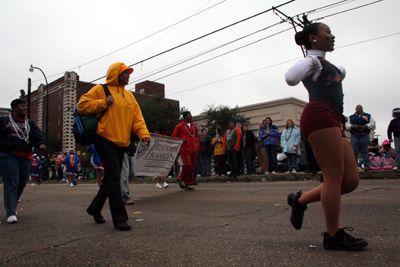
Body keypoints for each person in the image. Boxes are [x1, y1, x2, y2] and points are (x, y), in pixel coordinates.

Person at [285, 23, 368, 250]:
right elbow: (290, 78)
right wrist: (311, 60)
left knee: (350, 180)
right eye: (327, 32)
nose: (332, 36)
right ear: (313, 38)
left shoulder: (329, 64)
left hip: (335, 118)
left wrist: (337, 70)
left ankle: (299, 201)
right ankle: (333, 235)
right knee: (333, 177)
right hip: (319, 114)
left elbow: (341, 72)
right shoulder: (313, 62)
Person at [78, 62, 151, 231]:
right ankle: (120, 219)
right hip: (103, 138)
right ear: (115, 74)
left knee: (112, 177)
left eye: (128, 73)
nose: (128, 75)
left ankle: (94, 208)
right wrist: (103, 102)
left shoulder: (129, 96)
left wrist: (143, 134)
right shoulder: (100, 90)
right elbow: (82, 106)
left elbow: (137, 119)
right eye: (125, 73)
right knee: (115, 177)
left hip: (122, 141)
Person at [0, 99, 46, 224]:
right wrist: (7, 130)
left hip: (26, 156)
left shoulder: (29, 123)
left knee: (21, 183)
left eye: (26, 106)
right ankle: (11, 212)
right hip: (8, 154)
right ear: (14, 108)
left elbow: (36, 136)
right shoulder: (4, 121)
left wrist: (40, 144)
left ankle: (13, 204)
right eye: (22, 106)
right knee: (12, 182)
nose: (25, 108)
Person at [171, 111, 199, 190]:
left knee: (192, 168)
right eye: (189, 114)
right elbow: (173, 137)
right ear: (185, 116)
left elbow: (196, 137)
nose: (191, 115)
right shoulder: (179, 126)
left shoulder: (194, 126)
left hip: (194, 150)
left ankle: (189, 184)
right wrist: (182, 139)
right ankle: (181, 178)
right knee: (187, 165)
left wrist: (197, 147)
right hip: (184, 150)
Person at [345, 105, 376, 171]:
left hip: (364, 135)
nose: (359, 109)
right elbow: (347, 125)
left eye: (360, 108)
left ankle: (366, 166)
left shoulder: (368, 116)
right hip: (354, 135)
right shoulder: (351, 117)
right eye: (358, 108)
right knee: (354, 151)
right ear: (355, 109)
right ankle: (354, 166)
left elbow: (372, 123)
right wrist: (353, 126)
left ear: (362, 109)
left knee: (364, 151)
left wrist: (366, 126)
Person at [121, 133, 136, 205]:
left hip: (131, 152)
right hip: (123, 151)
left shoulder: (132, 126)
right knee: (124, 174)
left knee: (132, 173)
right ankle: (124, 196)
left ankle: (120, 190)